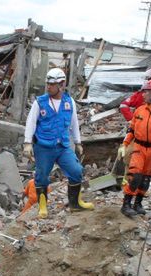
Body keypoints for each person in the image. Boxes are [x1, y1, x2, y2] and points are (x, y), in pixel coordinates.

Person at [23, 68, 94, 218]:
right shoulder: (40, 102)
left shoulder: (69, 102)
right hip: (43, 147)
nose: (48, 87)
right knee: (42, 176)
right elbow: (31, 123)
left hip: (62, 146)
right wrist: (28, 143)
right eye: (48, 83)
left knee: (76, 171)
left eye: (52, 84)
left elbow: (74, 123)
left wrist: (78, 142)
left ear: (62, 85)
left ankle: (75, 204)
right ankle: (43, 206)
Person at [118, 79, 151, 217]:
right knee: (135, 175)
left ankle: (138, 203)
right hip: (139, 147)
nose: (142, 95)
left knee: (146, 179)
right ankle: (126, 204)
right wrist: (124, 145)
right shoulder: (139, 110)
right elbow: (131, 130)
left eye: (146, 92)